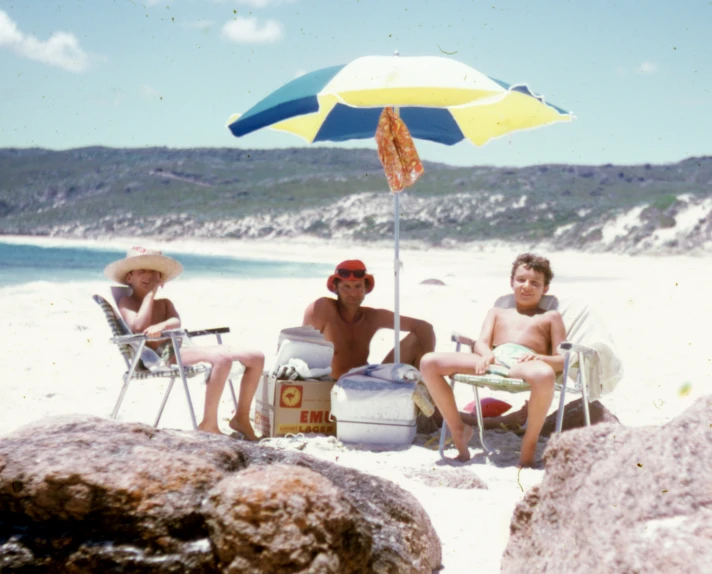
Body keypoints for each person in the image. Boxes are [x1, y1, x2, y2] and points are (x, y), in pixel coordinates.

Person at [419, 253, 565, 468]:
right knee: (429, 362)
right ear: (511, 282)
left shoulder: (550, 317)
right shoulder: (497, 312)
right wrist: (487, 354)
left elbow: (562, 359)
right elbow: (481, 342)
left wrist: (539, 357)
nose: (527, 286)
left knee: (544, 375)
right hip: (493, 359)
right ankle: (458, 429)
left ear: (545, 289)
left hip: (523, 363)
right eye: (521, 280)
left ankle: (529, 445)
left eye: (535, 283)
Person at [104, 246, 264, 439]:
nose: (149, 275)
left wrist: (162, 325)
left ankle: (241, 417)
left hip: (183, 347)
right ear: (129, 277)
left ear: (161, 279)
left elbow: (176, 322)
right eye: (142, 271)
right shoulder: (127, 303)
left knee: (256, 357)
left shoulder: (164, 303)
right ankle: (209, 423)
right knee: (222, 358)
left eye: (155, 272)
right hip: (164, 355)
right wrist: (149, 296)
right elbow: (138, 326)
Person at [302, 259, 436, 380]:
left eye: (358, 286)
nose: (353, 293)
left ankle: (426, 389)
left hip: (367, 384)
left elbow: (424, 327)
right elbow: (299, 347)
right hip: (333, 387)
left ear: (365, 289)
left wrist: (427, 377)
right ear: (335, 288)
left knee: (418, 336)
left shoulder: (372, 316)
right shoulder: (323, 308)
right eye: (346, 287)